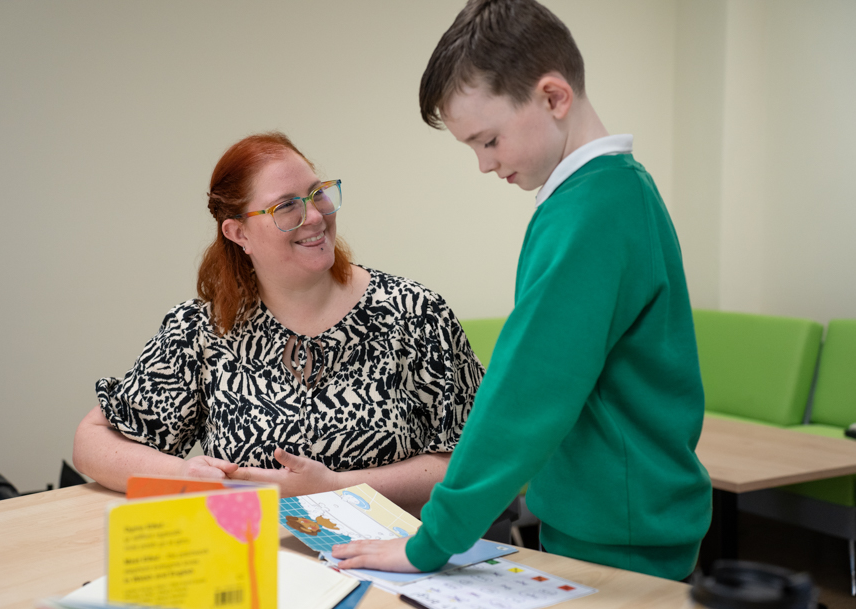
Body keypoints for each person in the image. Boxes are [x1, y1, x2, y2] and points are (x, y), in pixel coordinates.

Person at [332, 0, 711, 580]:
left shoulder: (594, 212)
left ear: (553, 97)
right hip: (613, 512)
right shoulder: (604, 194)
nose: (485, 165)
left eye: (489, 140)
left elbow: (527, 390)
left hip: (620, 530)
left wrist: (430, 541)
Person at [73, 132, 483, 516]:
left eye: (317, 194)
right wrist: (183, 474)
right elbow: (91, 442)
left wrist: (339, 487)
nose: (315, 217)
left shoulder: (412, 312)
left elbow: (478, 458)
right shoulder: (201, 329)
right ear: (238, 232)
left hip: (395, 559)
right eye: (286, 206)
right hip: (257, 564)